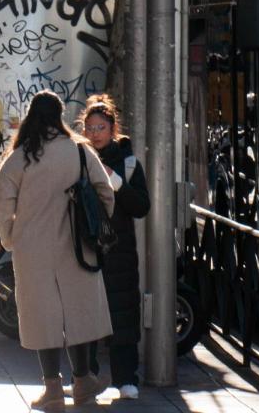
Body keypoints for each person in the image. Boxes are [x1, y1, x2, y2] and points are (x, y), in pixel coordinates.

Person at [0, 90, 114, 412]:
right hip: (78, 246)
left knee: (41, 317)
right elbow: (105, 193)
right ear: (60, 116)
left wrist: (9, 238)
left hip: (33, 249)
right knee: (80, 312)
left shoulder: (18, 158)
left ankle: (53, 389)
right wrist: (96, 225)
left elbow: (1, 205)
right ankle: (84, 379)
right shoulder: (80, 151)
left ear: (31, 116)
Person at [79, 95, 151, 400]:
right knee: (87, 317)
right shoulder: (78, 158)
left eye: (101, 127)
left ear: (112, 129)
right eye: (90, 127)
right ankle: (88, 377)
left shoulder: (129, 162)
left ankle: (126, 378)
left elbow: (141, 206)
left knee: (123, 315)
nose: (95, 133)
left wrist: (116, 181)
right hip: (86, 246)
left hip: (119, 249)